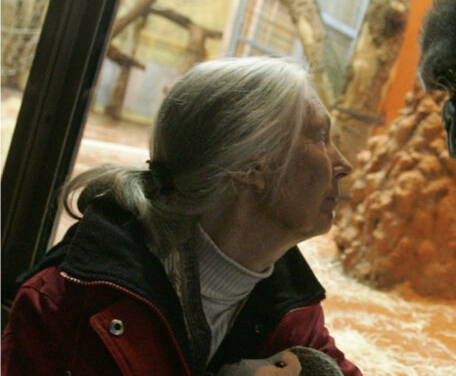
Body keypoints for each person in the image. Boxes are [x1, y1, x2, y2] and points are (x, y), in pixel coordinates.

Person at [1, 57, 361, 375]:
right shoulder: (66, 304)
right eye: (320, 137)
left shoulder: (294, 308)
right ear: (250, 166)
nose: (343, 165)